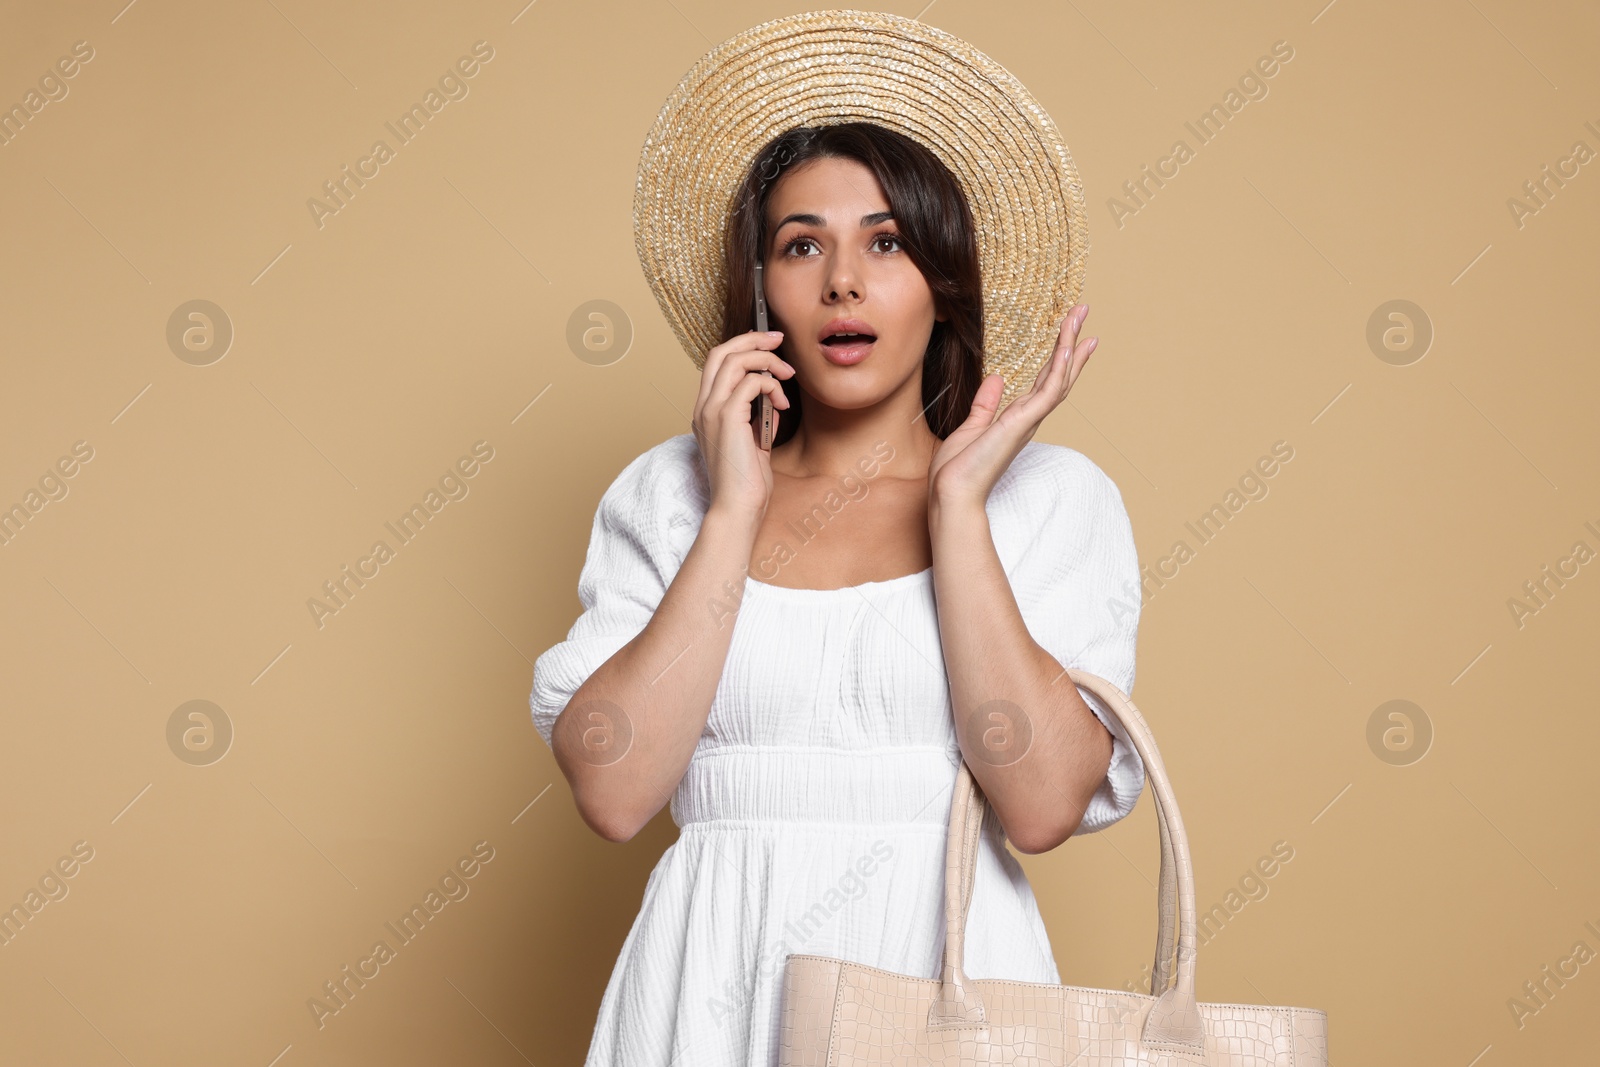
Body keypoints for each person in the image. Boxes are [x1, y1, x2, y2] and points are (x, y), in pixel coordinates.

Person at [530, 13, 1144, 1066]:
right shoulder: (672, 498)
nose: (842, 282)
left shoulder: (1045, 500)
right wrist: (732, 510)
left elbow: (1040, 802)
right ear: (760, 286)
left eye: (887, 242)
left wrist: (957, 513)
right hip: (708, 983)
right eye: (801, 243)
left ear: (943, 282)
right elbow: (615, 790)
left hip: (949, 984)